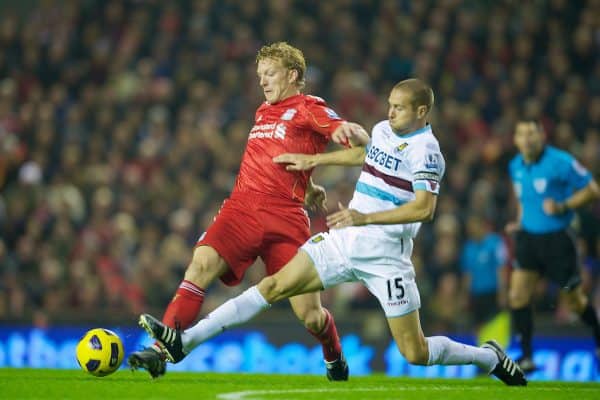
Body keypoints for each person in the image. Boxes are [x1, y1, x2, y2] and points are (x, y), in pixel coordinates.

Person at [137, 79, 527, 386]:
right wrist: (315, 160)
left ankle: (488, 357)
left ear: (422, 111)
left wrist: (364, 218)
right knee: (272, 287)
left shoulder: (427, 152)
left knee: (415, 352)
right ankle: (181, 344)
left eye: (399, 107)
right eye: (389, 104)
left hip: (386, 255)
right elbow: (363, 154)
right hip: (344, 241)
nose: (389, 113)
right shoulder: (385, 130)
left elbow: (425, 209)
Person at [128, 42, 368, 380]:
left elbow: (357, 141)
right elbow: (277, 158)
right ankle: (160, 350)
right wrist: (308, 185)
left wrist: (351, 130)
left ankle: (333, 354)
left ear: (293, 75)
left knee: (310, 315)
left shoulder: (309, 107)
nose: (263, 81)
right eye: (260, 76)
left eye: (270, 74)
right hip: (241, 208)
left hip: (286, 219)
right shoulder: (262, 111)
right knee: (201, 264)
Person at [505, 120, 600, 373]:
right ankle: (526, 357)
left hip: (559, 241)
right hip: (529, 240)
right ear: (515, 139)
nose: (527, 139)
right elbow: (525, 200)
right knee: (517, 295)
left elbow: (592, 190)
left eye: (532, 133)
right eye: (522, 134)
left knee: (574, 301)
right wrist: (519, 222)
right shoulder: (515, 165)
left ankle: (597, 330)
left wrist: (562, 206)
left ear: (542, 136)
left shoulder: (561, 162)